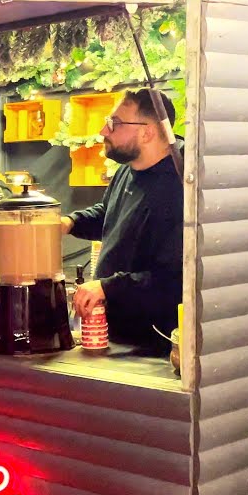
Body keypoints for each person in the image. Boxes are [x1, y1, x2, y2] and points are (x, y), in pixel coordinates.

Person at [61, 89, 182, 354]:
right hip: (116, 336)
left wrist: (107, 286)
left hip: (153, 346)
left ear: (147, 132)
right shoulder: (129, 169)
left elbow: (171, 279)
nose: (104, 130)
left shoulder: (181, 181)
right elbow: (109, 214)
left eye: (114, 123)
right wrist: (69, 222)